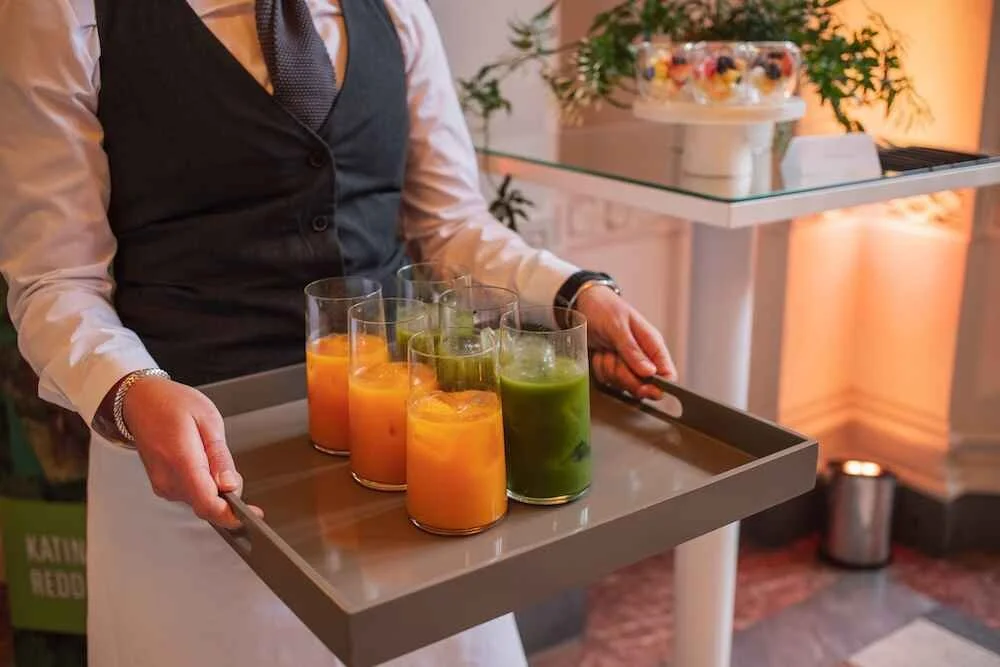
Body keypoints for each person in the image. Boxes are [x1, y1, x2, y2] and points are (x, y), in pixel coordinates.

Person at [0, 0, 676, 665]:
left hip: (398, 451)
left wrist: (573, 293)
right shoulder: (63, 12)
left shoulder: (396, 9)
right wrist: (128, 389)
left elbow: (451, 225)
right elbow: (56, 280)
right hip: (194, 478)